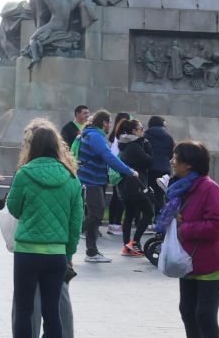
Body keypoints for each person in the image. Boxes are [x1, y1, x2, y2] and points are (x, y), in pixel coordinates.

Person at [0, 119, 82, 338]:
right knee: (52, 311)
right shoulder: (71, 178)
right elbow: (75, 221)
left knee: (24, 310)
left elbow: (14, 208)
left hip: (28, 252)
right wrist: (68, 253)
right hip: (57, 254)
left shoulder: (25, 174)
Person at [167, 141, 219, 338]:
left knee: (205, 315)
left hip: (210, 262)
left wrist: (185, 228)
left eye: (176, 157)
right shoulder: (181, 188)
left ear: (189, 163)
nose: (172, 161)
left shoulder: (208, 188)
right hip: (188, 261)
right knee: (188, 313)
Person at [74, 110, 138, 262]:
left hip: (94, 180)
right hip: (92, 181)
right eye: (109, 122)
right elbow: (108, 157)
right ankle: (72, 235)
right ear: (103, 123)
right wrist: (129, 171)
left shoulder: (93, 134)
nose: (111, 125)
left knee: (95, 215)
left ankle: (91, 251)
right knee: (96, 213)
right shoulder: (95, 136)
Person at [115, 117, 151, 255]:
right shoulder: (135, 146)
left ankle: (127, 245)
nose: (143, 131)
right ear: (134, 131)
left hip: (126, 185)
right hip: (136, 184)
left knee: (129, 214)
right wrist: (148, 148)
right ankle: (134, 243)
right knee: (149, 212)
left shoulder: (125, 144)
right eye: (141, 129)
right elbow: (149, 161)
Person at [142, 115, 175, 212]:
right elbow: (171, 154)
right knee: (160, 195)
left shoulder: (145, 136)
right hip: (164, 169)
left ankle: (147, 218)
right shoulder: (169, 137)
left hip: (149, 169)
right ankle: (158, 219)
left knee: (148, 194)